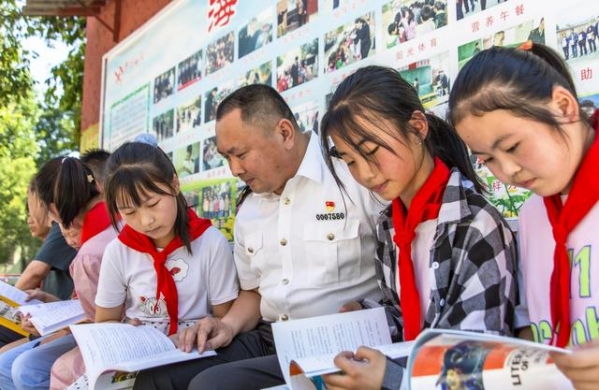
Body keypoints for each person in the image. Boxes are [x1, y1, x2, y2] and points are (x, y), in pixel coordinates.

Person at [132, 84, 383, 390]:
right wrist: (225, 325)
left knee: (210, 386)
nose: (235, 169)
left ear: (285, 133)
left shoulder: (350, 175)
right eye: (227, 157)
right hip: (270, 338)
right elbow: (254, 291)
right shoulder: (249, 208)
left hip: (336, 346)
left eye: (241, 154)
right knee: (155, 378)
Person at [318, 65, 519, 390]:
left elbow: (477, 366)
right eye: (350, 161)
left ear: (417, 126)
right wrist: (367, 315)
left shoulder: (476, 226)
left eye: (372, 153)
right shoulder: (389, 225)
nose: (366, 175)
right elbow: (410, 316)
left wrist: (391, 380)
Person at [447, 42, 599, 390]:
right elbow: (534, 320)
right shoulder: (533, 214)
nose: (509, 170)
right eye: (488, 160)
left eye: (513, 147)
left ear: (563, 106)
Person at [49, 141, 239, 388]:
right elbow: (106, 322)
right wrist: (126, 332)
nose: (146, 220)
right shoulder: (118, 251)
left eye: (152, 204)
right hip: (138, 358)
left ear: (174, 184)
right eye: (129, 212)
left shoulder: (210, 243)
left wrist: (202, 330)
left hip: (194, 354)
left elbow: (223, 320)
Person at [0, 156, 116, 390]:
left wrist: (52, 326)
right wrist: (52, 305)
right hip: (108, 330)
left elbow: (102, 323)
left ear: (53, 206)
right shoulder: (113, 221)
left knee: (24, 370)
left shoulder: (90, 252)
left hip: (108, 341)